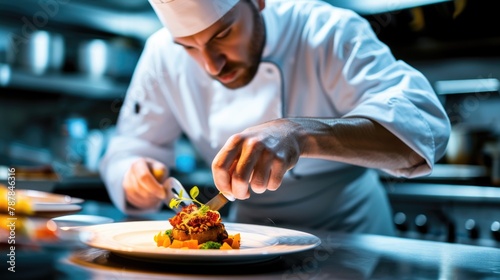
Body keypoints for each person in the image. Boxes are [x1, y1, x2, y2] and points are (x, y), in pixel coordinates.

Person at [99, 0, 450, 235]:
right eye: (189, 47)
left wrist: (300, 134)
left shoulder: (326, 31)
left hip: (352, 236)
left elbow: (421, 130)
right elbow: (133, 144)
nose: (212, 65)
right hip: (250, 239)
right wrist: (134, 175)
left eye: (223, 35)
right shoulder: (161, 53)